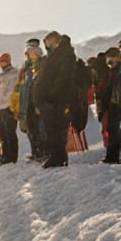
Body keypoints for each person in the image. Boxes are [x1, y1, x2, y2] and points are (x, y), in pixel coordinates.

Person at [34, 31, 76, 167]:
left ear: (53, 40)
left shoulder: (64, 53)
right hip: (50, 98)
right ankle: (58, 155)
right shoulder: (55, 55)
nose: (45, 43)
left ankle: (57, 156)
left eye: (47, 40)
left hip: (57, 98)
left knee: (55, 127)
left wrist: (51, 95)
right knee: (51, 128)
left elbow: (62, 76)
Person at [0, 53, 20, 164]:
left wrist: (7, 101)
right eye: (1, 61)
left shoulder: (14, 73)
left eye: (4, 61)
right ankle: (5, 155)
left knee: (10, 131)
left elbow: (11, 91)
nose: (2, 63)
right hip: (0, 107)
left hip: (9, 106)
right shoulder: (1, 76)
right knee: (2, 132)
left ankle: (12, 156)